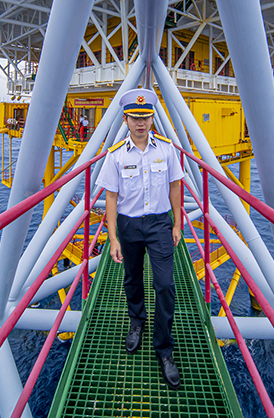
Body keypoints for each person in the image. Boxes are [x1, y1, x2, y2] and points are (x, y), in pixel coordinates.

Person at [95, 88, 185, 388]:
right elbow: (110, 197)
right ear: (126, 119)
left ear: (152, 119)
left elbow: (175, 186)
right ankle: (137, 322)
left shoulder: (167, 150)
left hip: (160, 224)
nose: (140, 122)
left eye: (145, 117)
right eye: (135, 117)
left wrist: (176, 223)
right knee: (132, 279)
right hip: (129, 226)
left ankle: (165, 349)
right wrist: (113, 238)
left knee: (165, 285)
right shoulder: (116, 156)